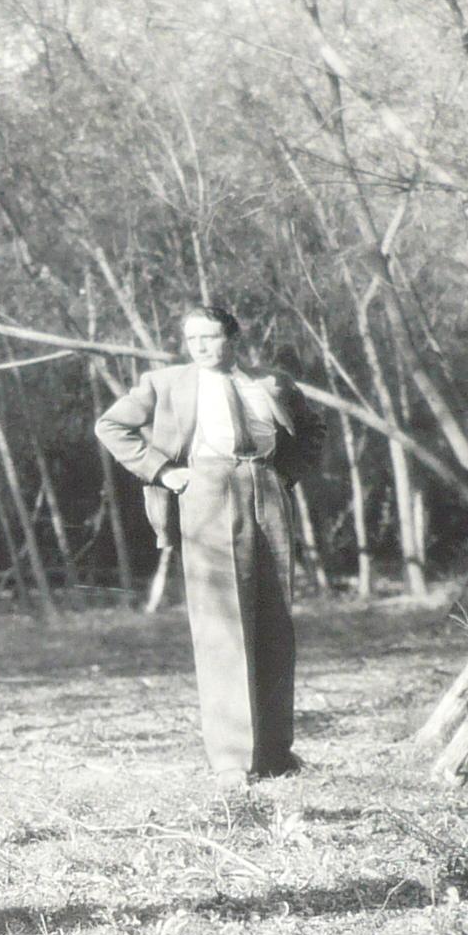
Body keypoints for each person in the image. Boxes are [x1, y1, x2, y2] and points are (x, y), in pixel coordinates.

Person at [93, 304, 326, 781]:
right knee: (222, 627)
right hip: (207, 491)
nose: (199, 346)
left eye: (210, 337)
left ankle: (276, 756)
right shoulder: (165, 383)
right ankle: (233, 762)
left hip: (266, 488)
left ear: (233, 338)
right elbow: (110, 426)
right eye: (192, 339)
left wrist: (287, 474)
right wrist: (163, 471)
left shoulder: (270, 382)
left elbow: (313, 430)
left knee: (275, 622)